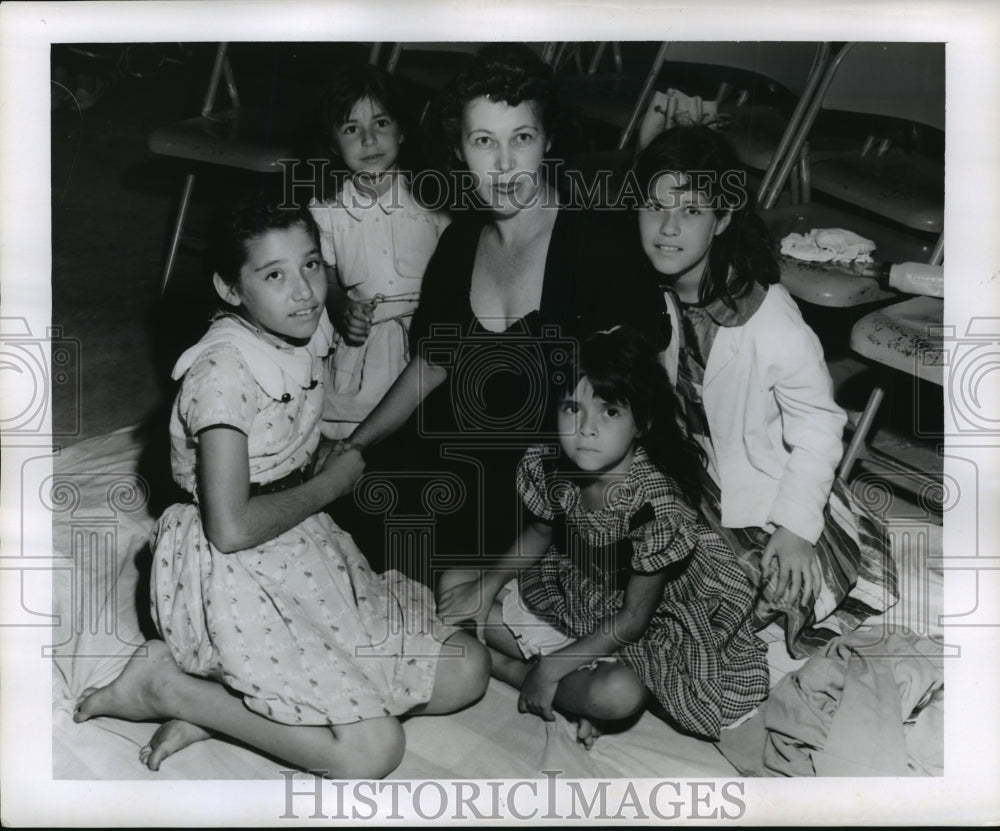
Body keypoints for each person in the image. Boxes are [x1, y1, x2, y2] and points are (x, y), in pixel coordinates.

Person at [74, 196, 489, 778]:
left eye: (312, 265)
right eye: (274, 274)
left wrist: (321, 462)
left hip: (300, 546)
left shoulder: (301, 327)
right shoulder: (222, 374)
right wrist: (332, 484)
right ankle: (166, 687)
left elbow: (290, 429)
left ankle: (229, 706)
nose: (304, 292)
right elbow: (230, 527)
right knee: (373, 752)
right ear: (229, 288)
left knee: (467, 669)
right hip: (236, 571)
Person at [337, 44, 667, 575]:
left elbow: (634, 406)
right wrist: (357, 444)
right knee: (343, 530)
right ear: (460, 149)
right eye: (484, 141)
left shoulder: (599, 246)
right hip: (452, 458)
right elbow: (430, 365)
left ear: (548, 141)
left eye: (523, 138)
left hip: (548, 489)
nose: (506, 164)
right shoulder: (459, 243)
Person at [634, 124, 898, 658]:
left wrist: (797, 528)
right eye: (654, 206)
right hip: (693, 469)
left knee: (765, 587)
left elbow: (821, 430)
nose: (667, 227)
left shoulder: (770, 319)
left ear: (723, 218)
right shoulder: (643, 291)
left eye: (690, 211)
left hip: (766, 484)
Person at [436, 327, 769, 745]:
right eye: (572, 408)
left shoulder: (657, 507)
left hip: (647, 622)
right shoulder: (550, 465)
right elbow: (539, 533)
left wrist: (550, 668)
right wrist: (486, 587)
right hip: (579, 588)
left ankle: (514, 671)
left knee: (618, 695)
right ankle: (563, 684)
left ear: (641, 423)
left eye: (609, 411)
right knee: (454, 584)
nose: (586, 429)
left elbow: (632, 620)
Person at [309, 64, 451, 439]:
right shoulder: (327, 209)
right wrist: (342, 308)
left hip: (428, 345)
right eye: (351, 129)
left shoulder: (432, 197)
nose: (369, 140)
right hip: (365, 348)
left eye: (381, 123)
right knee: (352, 439)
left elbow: (460, 269)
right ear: (332, 143)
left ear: (402, 130)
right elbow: (326, 278)